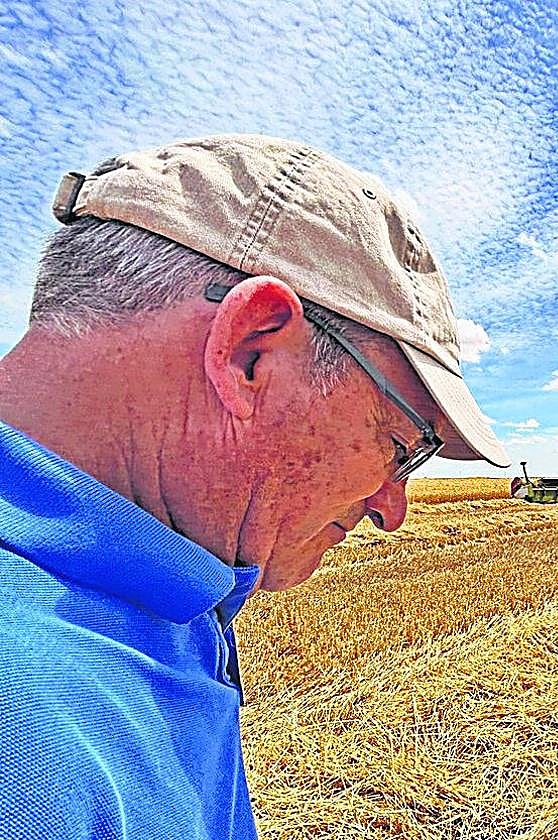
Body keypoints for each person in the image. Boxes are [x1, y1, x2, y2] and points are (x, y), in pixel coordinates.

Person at [0, 134, 509, 839]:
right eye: (401, 447)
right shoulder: (29, 744)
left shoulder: (153, 586)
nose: (392, 509)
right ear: (250, 351)